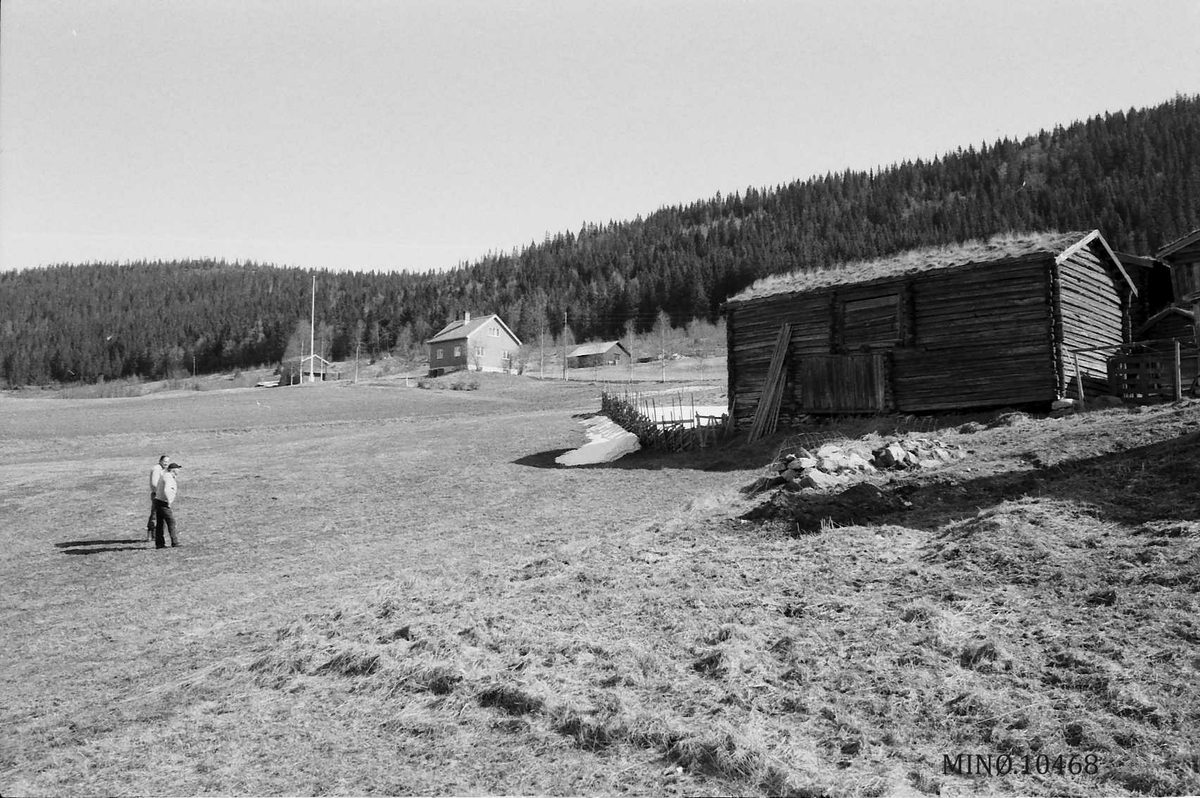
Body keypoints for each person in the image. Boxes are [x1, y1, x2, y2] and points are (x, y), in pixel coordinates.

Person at [154, 462, 182, 549]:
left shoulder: (165, 475)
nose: (179, 471)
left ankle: (159, 544)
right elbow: (167, 490)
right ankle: (175, 542)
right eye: (178, 469)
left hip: (158, 501)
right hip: (163, 502)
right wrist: (169, 502)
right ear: (173, 470)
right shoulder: (168, 477)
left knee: (160, 523)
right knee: (171, 522)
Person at [146, 454, 169, 541]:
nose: (166, 463)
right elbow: (154, 483)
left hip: (160, 493)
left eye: (167, 462)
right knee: (155, 514)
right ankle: (152, 533)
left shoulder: (162, 469)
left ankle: (155, 533)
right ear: (160, 461)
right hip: (157, 494)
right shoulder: (157, 469)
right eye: (165, 461)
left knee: (158, 514)